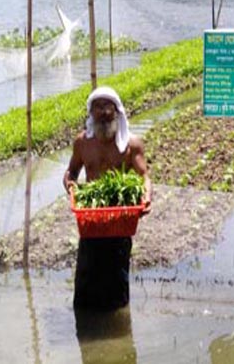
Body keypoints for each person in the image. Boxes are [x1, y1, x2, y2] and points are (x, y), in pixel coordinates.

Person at [63, 86, 152, 310]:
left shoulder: (132, 145)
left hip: (120, 218)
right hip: (91, 219)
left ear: (117, 111)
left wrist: (146, 197)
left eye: (108, 107)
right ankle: (88, 318)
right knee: (87, 272)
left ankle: (117, 320)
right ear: (91, 113)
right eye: (97, 107)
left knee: (117, 274)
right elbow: (71, 172)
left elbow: (144, 177)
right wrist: (70, 184)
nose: (103, 112)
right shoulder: (82, 143)